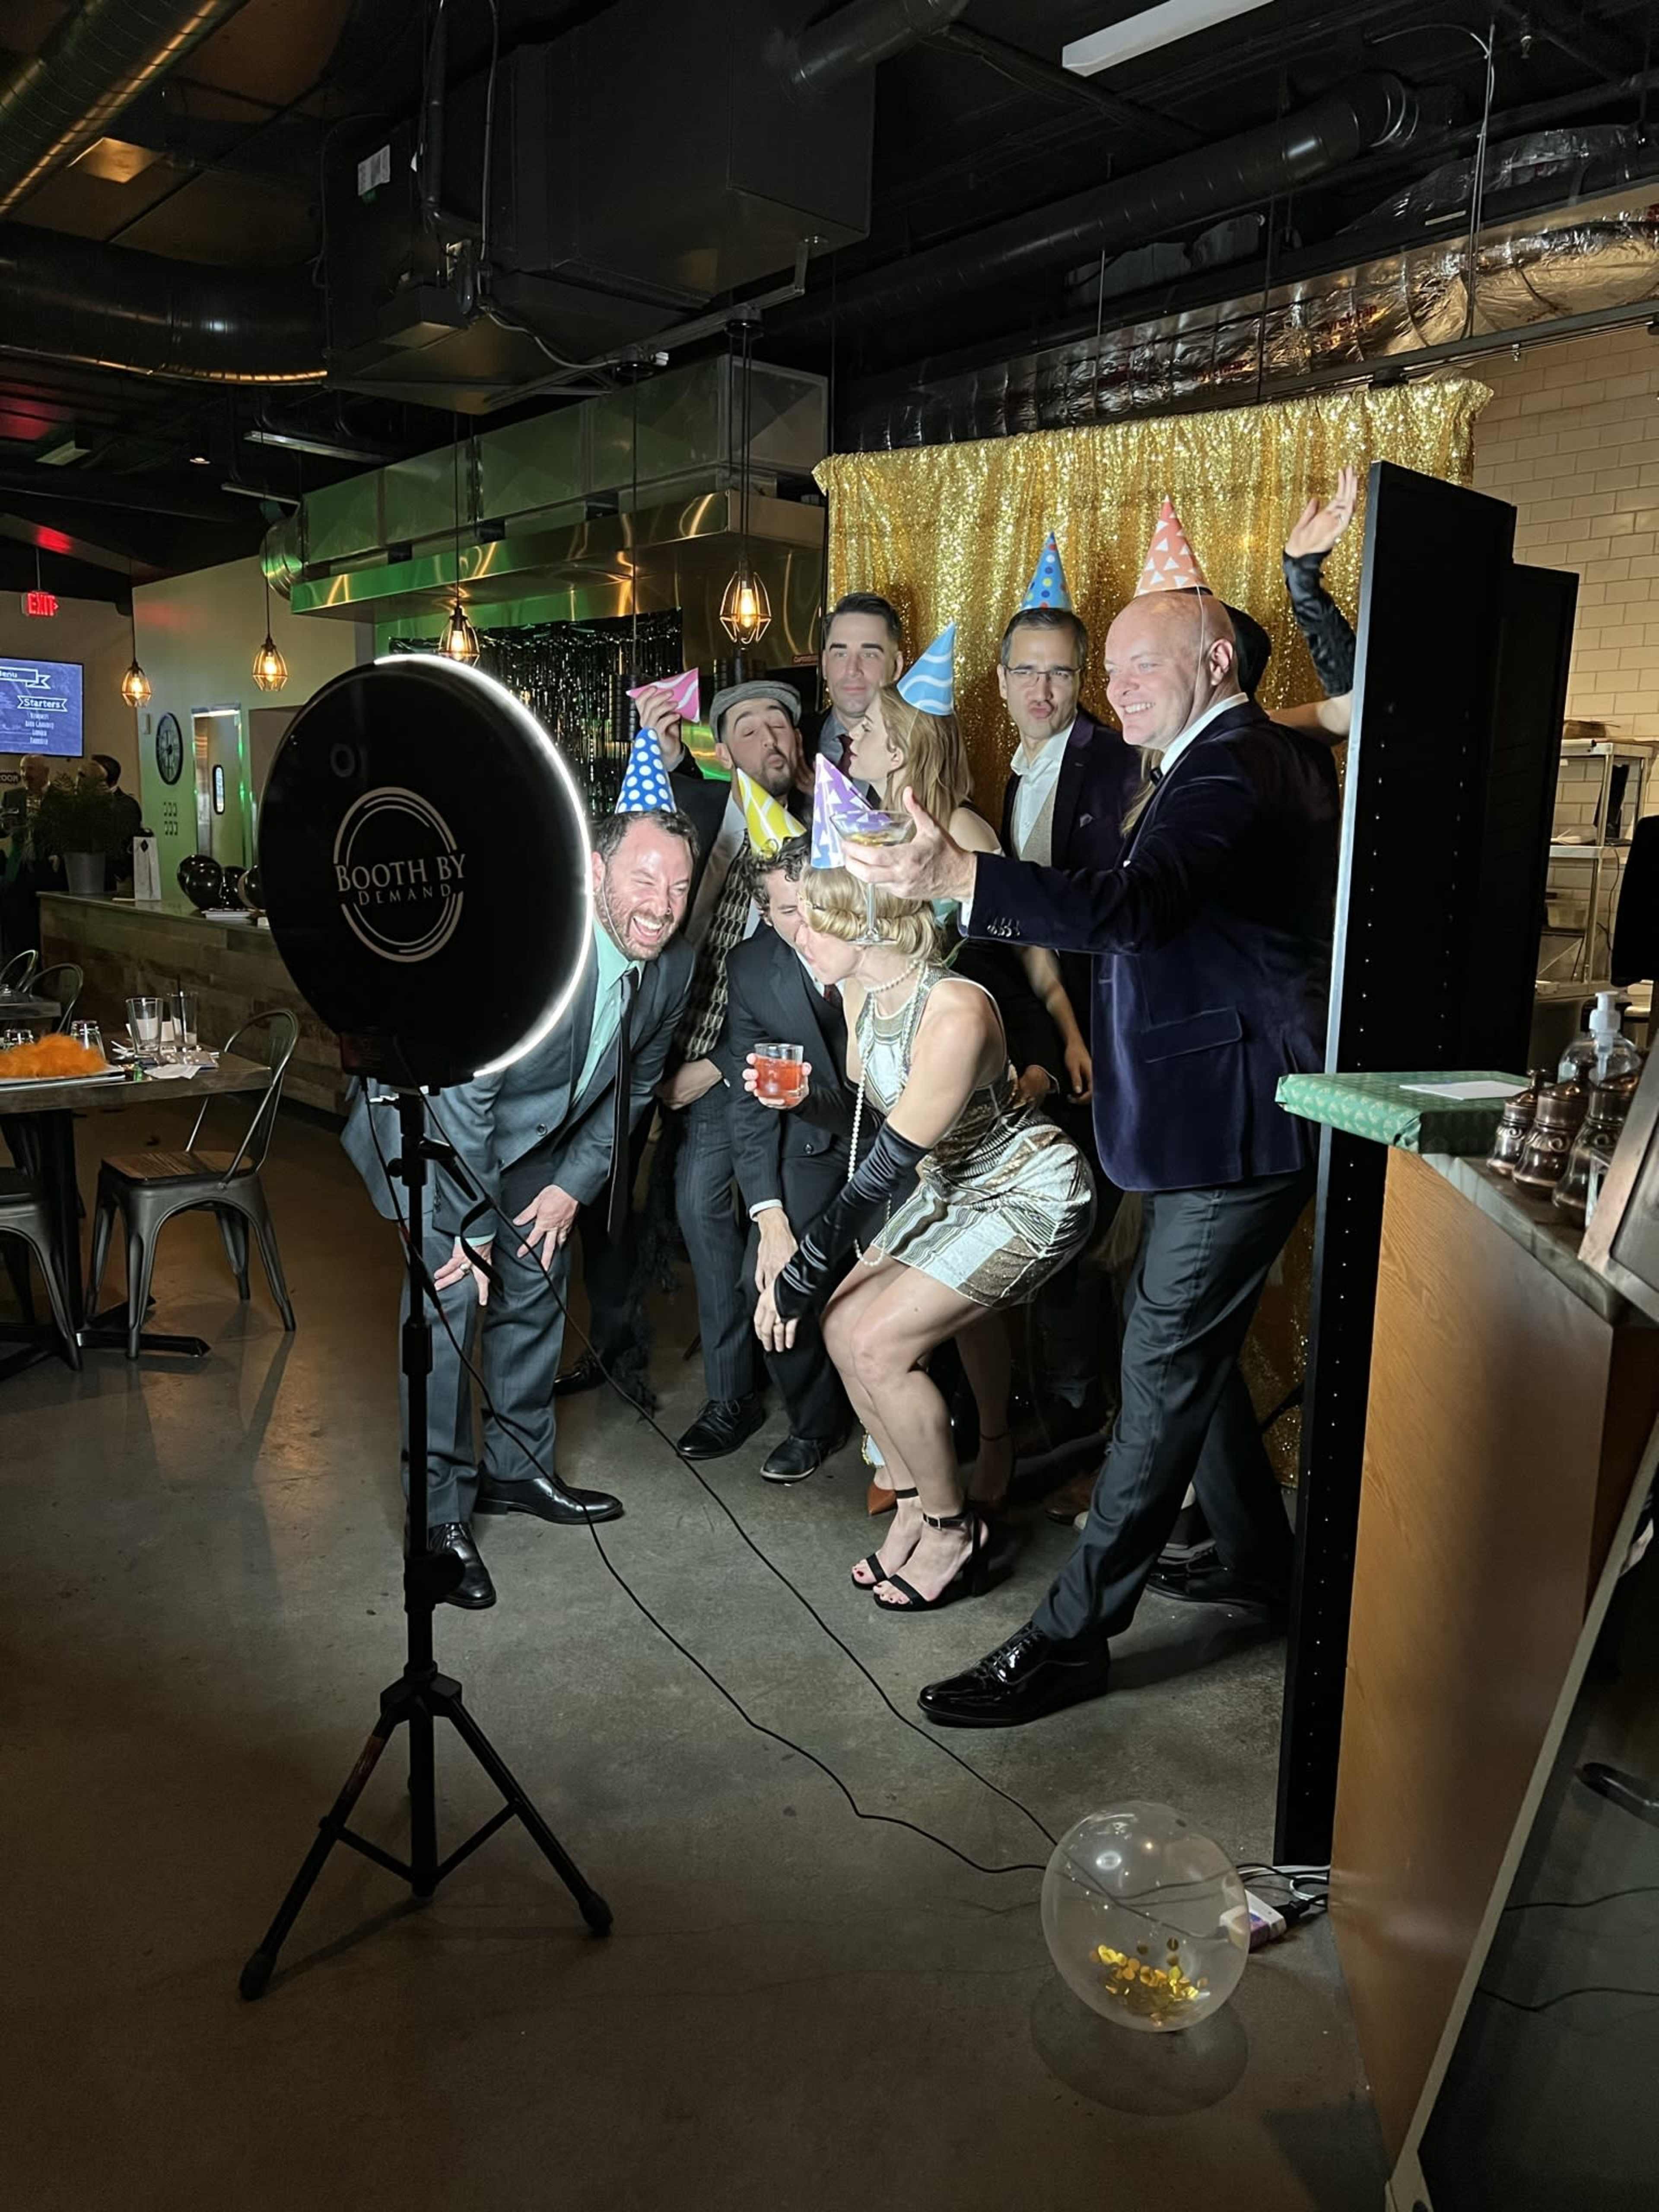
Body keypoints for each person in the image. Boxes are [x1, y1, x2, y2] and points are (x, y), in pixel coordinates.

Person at [841, 500, 1339, 1722]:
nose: (1117, 692)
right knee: (1183, 1348)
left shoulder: (1230, 762)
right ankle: (1259, 1565)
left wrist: (964, 877)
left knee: (1162, 1362)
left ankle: (1072, 1637)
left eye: (1138, 665)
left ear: (1216, 660)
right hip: (1206, 1115)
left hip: (1240, 1126)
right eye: (1106, 671)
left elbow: (1141, 906)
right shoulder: (1218, 752)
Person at [342, 807, 697, 1610]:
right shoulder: (528, 951)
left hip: (541, 1133)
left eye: (678, 886)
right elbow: (468, 1096)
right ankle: (435, 1523)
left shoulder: (672, 965)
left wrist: (573, 1183)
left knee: (537, 1283)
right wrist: (470, 1233)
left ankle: (517, 1469)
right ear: (596, 874)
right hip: (434, 1123)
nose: (662, 904)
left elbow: (636, 1087)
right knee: (451, 1309)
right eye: (644, 878)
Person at [754, 865, 1094, 1611]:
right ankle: (913, 1504)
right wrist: (802, 1096)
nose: (794, 935)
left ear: (864, 921)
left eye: (810, 919)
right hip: (949, 1189)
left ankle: (951, 1529)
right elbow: (867, 1112)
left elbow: (881, 1172)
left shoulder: (956, 1012)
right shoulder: (858, 991)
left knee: (876, 1343)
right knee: (844, 1328)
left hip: (1027, 1193)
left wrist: (797, 1276)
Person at [625, 675, 817, 1461]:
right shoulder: (697, 815)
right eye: (750, 729)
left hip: (773, 1071)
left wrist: (713, 1067)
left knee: (735, 1225)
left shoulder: (818, 835)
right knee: (695, 1214)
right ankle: (733, 1391)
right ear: (720, 751)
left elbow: (815, 992)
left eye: (782, 727)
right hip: (672, 1051)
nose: (771, 738)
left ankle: (772, 1392)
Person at [721, 834, 863, 1481]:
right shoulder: (751, 970)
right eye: (785, 913)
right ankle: (815, 1423)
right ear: (764, 915)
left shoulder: (876, 935)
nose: (804, 927)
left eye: (813, 906)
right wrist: (770, 1219)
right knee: (771, 1272)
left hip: (902, 1138)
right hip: (815, 1145)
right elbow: (751, 1102)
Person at [810, 591, 906, 772]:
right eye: (841, 654)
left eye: (869, 655)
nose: (852, 670)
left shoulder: (923, 748)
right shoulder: (791, 743)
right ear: (824, 664)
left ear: (897, 667)